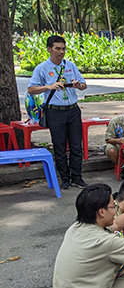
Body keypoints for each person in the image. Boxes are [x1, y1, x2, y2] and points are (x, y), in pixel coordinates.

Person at [27, 34, 88, 190]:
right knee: (59, 146)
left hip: (73, 110)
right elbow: (31, 89)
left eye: (63, 49)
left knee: (76, 145)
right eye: (58, 49)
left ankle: (77, 177)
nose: (61, 52)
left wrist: (78, 85)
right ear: (49, 49)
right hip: (55, 112)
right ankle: (65, 178)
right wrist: (49, 86)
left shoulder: (70, 65)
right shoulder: (42, 68)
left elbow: (83, 85)